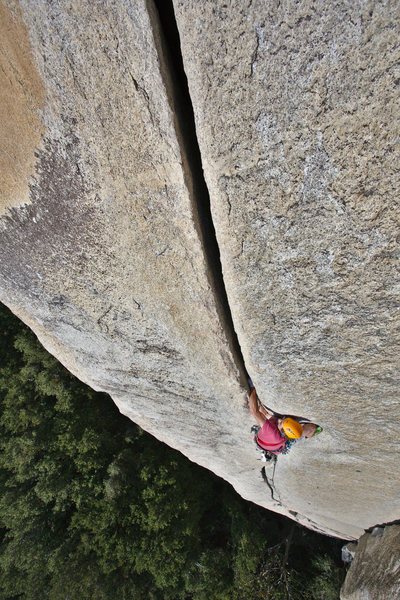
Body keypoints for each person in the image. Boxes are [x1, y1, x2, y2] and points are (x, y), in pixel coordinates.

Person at [248, 385, 320, 457]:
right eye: (281, 422)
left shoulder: (271, 430)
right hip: (275, 446)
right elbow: (254, 411)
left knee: (264, 413)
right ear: (284, 434)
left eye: (280, 422)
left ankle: (267, 417)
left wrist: (254, 389)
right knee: (311, 429)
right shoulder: (280, 436)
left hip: (264, 440)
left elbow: (255, 411)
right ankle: (308, 435)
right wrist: (254, 388)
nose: (279, 420)